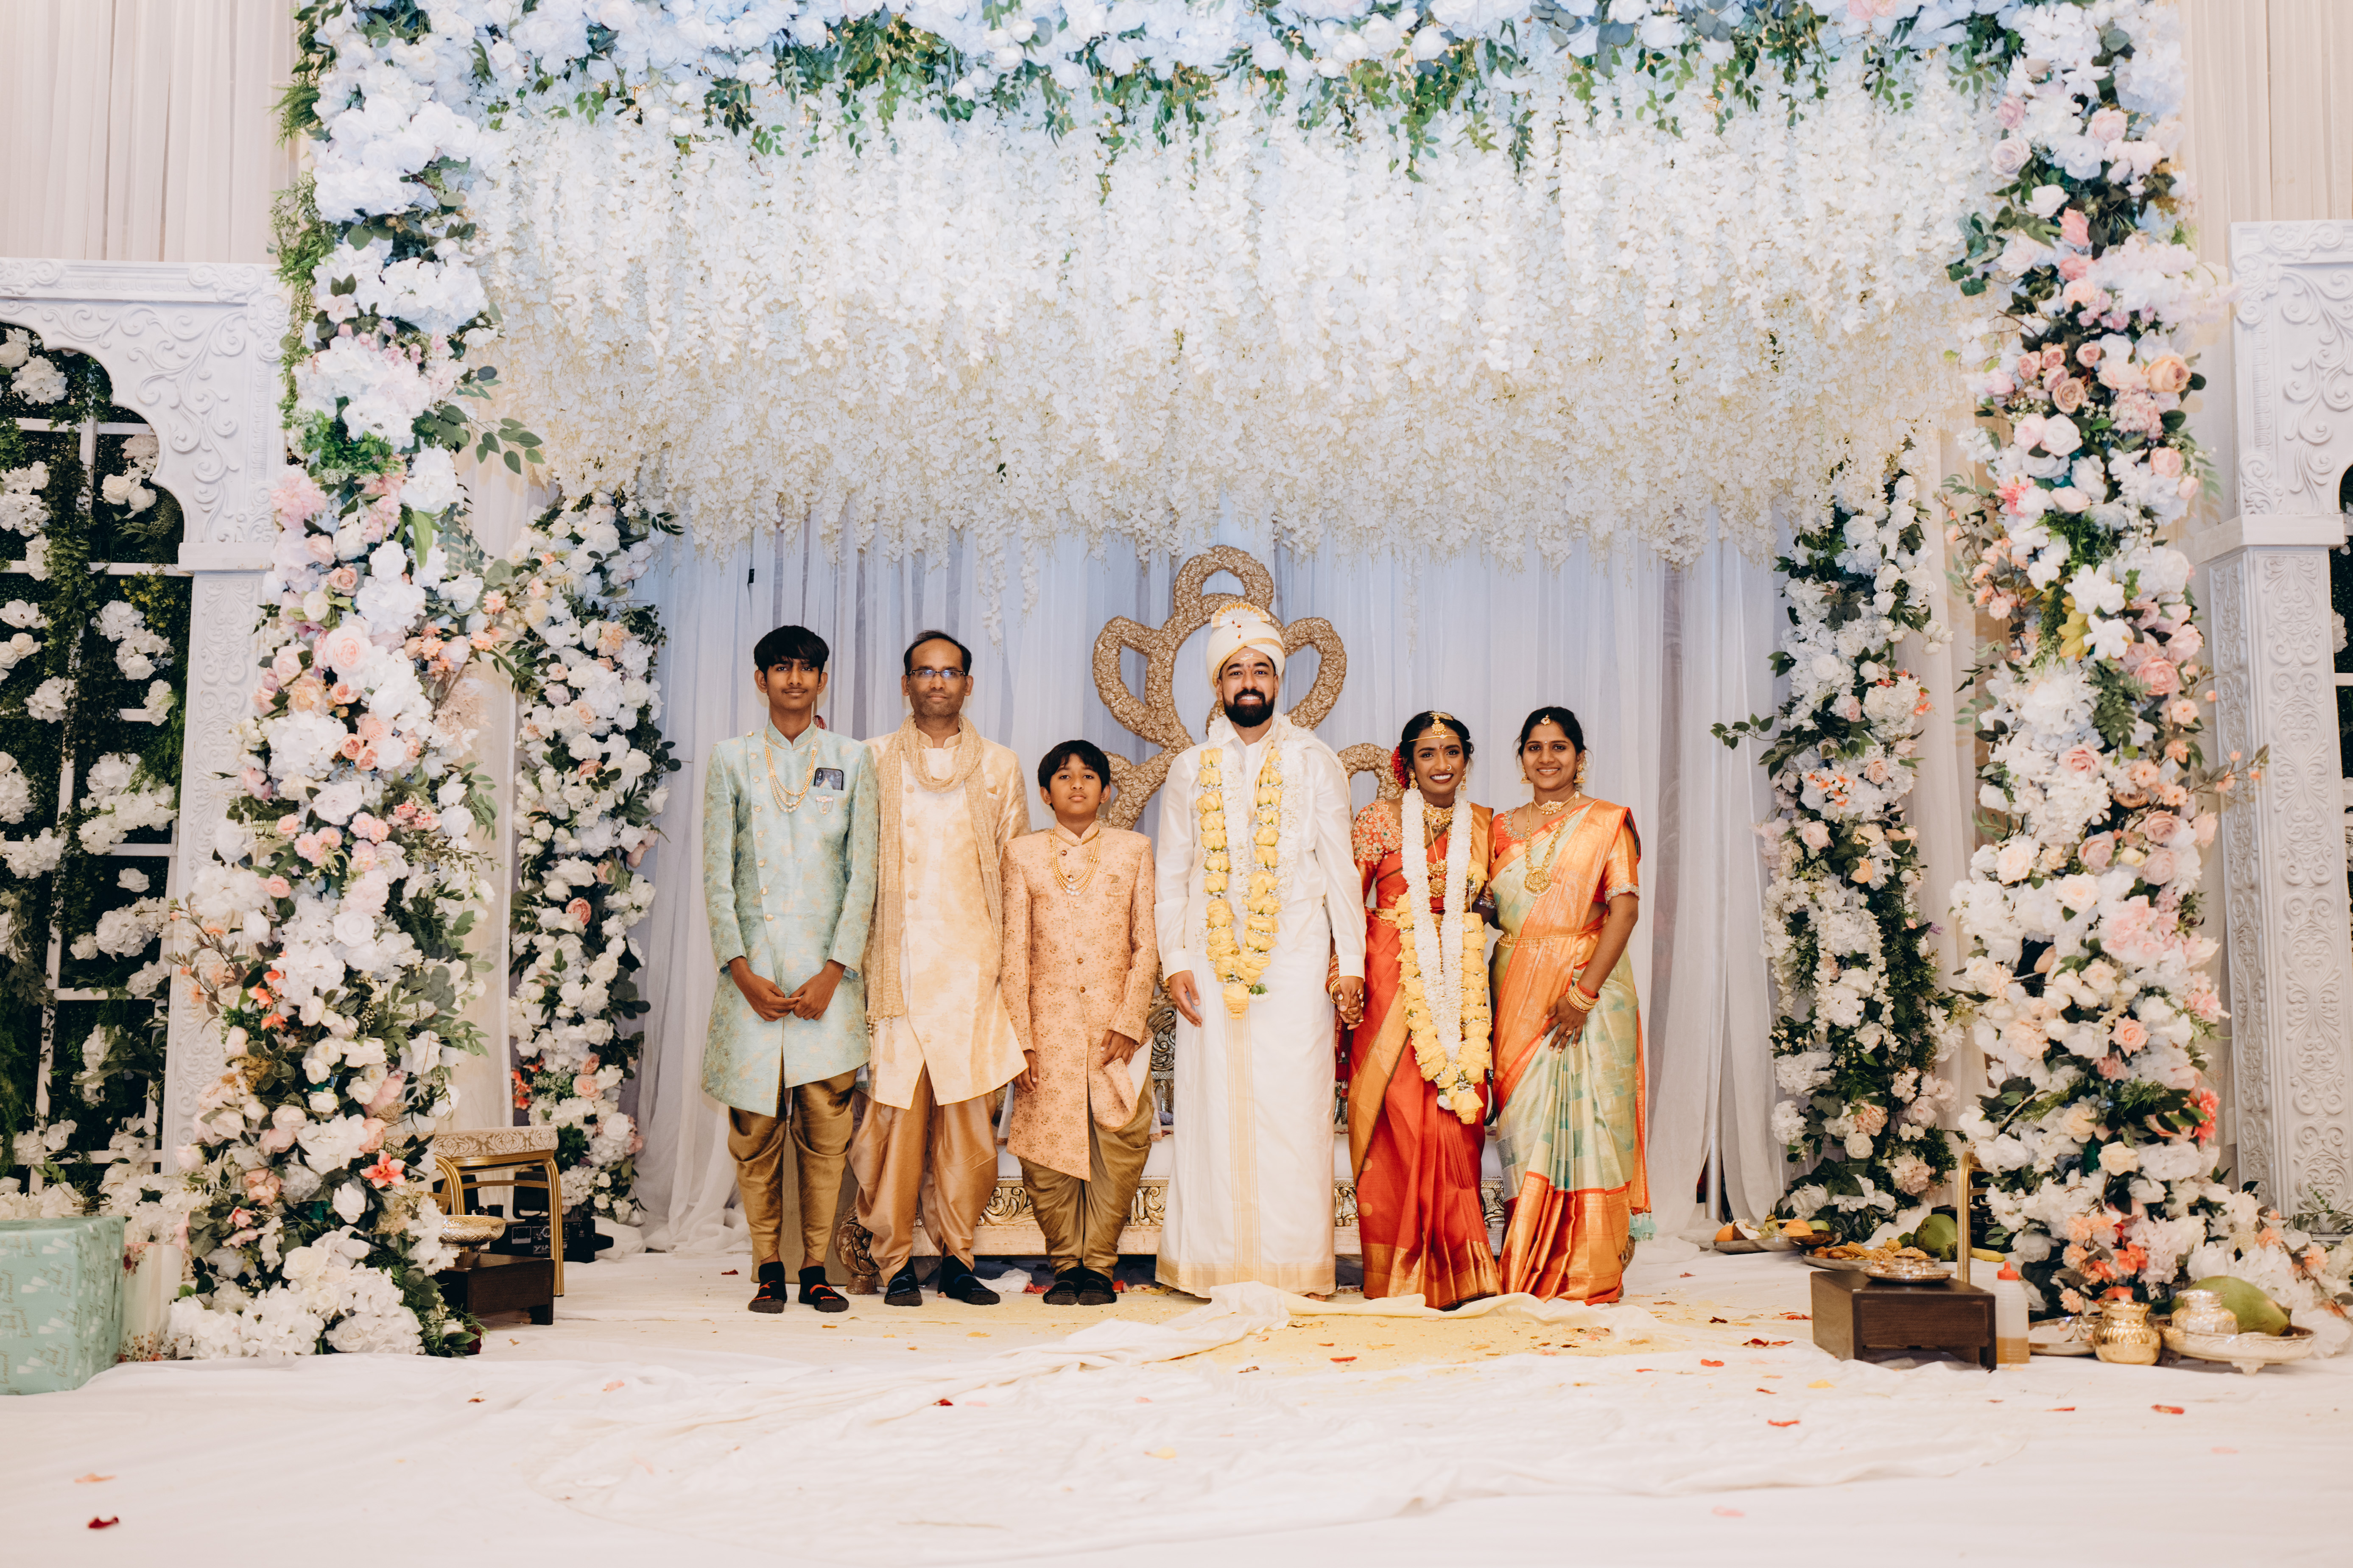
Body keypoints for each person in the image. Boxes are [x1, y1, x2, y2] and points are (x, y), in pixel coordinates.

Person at [1154, 604, 1364, 1297]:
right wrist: (1176, 960)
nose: (1249, 682)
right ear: (1218, 686)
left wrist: (1351, 964)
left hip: (1296, 962)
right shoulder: (1190, 769)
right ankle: (1213, 1264)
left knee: (1293, 1111)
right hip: (1209, 965)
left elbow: (1340, 871)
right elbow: (1172, 871)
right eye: (1235, 671)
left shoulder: (1316, 762)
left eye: (1261, 670)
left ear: (1278, 681)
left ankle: (1293, 1266)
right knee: (1213, 1109)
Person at [849, 630, 1029, 1307]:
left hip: (970, 968)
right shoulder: (872, 759)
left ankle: (958, 1257)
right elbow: (854, 863)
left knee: (967, 1126)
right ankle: (895, 1260)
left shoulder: (1001, 766)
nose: (937, 682)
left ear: (968, 685)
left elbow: (1014, 875)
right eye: (924, 672)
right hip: (895, 966)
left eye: (950, 672)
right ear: (906, 684)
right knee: (894, 1123)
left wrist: (1009, 974)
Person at [701, 625, 875, 1315]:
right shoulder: (731, 759)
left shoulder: (853, 759)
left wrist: (836, 969)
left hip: (827, 980)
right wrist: (740, 970)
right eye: (781, 668)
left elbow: (863, 876)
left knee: (828, 1128)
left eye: (807, 669)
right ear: (761, 679)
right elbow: (718, 875)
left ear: (823, 680)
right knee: (753, 1130)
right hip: (755, 977)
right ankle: (768, 1263)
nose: (795, 680)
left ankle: (816, 1266)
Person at [1487, 706, 1650, 1302]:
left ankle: (1589, 1266)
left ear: (1580, 757)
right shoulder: (1498, 827)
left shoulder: (1607, 821)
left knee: (1594, 1122)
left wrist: (1582, 994)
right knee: (1526, 1122)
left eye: (1559, 747)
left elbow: (1624, 911)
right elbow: (1493, 905)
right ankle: (1531, 1258)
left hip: (1590, 988)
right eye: (1535, 747)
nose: (1547, 758)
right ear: (1521, 757)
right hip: (1517, 985)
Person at [1343, 711, 1501, 1309]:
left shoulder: (1486, 824)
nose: (1441, 764)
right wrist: (1343, 975)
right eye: (1428, 753)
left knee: (1457, 1115)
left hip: (1461, 981)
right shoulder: (1378, 819)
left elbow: (1502, 901)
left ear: (1467, 759)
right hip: (1391, 976)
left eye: (1452, 751)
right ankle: (1402, 1273)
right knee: (1400, 1116)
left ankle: (1461, 1269)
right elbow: (1347, 902)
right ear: (1406, 763)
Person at [1000, 740, 1159, 1306]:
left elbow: (1147, 944)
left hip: (1117, 1029)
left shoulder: (1134, 849)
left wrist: (1131, 1019)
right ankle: (1065, 1264)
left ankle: (1099, 1264)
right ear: (1045, 794)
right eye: (1064, 777)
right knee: (1047, 1147)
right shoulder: (1021, 854)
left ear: (1106, 791)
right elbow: (1013, 953)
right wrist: (1022, 1040)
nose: (1076, 785)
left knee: (1121, 1141)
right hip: (1048, 1028)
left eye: (1089, 776)